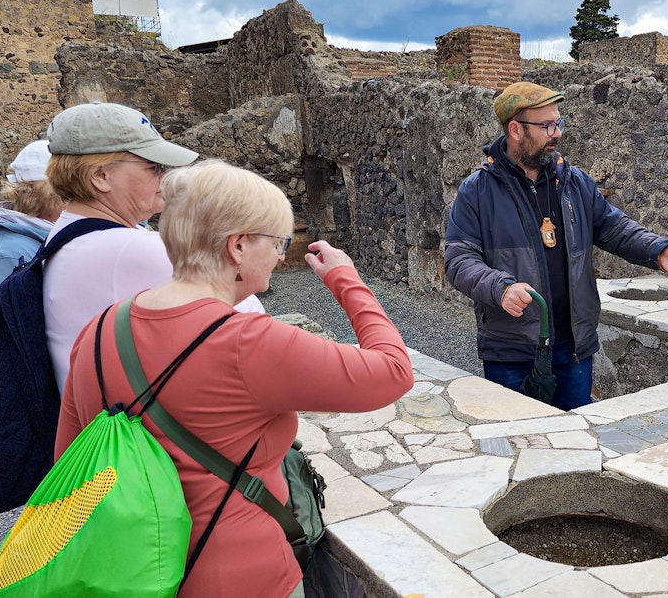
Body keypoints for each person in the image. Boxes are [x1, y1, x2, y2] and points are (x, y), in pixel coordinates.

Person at [55, 160, 414, 597]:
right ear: (238, 246)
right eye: (278, 241)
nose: (283, 254)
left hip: (129, 572)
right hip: (239, 575)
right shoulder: (249, 341)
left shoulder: (101, 329)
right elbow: (393, 371)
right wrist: (345, 278)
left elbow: (70, 461)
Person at [444, 81, 668, 411]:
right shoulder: (476, 191)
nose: (557, 133)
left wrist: (658, 249)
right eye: (547, 125)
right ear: (515, 129)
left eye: (559, 123)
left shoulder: (575, 182)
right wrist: (500, 288)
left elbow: (613, 227)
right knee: (517, 442)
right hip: (511, 351)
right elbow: (458, 259)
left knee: (576, 448)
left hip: (574, 349)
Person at [42, 101, 265, 394]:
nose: (164, 177)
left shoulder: (68, 233)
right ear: (101, 176)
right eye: (153, 166)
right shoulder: (128, 249)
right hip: (137, 433)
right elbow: (251, 316)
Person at [0, 140, 65, 304]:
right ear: (47, 196)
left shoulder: (49, 237)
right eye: (68, 194)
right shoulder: (5, 257)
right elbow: (6, 326)